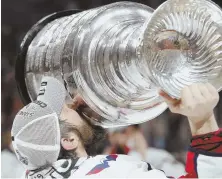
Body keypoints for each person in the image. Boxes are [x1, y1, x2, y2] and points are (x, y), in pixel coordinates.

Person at [11, 77, 222, 178]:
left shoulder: (31, 171)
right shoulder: (111, 174)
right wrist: (203, 120)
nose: (75, 103)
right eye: (68, 109)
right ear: (68, 141)